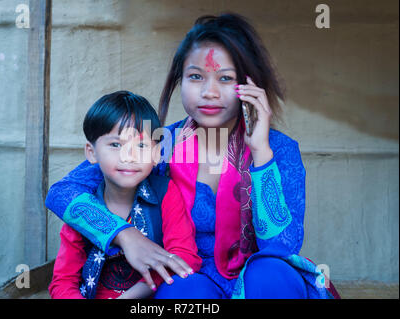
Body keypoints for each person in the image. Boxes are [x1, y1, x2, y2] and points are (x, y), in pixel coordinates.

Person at [46, 13, 340, 299]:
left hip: (261, 282)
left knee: (272, 273)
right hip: (188, 276)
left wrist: (261, 151)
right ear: (180, 80)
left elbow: (280, 247)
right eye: (196, 77)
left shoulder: (279, 149)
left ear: (249, 86)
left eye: (225, 79)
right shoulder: (156, 145)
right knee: (182, 287)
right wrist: (124, 235)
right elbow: (62, 192)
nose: (209, 92)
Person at [48, 91, 201, 299]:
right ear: (91, 153)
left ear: (156, 154)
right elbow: (63, 282)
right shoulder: (83, 204)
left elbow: (184, 258)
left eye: (141, 145)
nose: (129, 156)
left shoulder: (165, 192)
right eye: (115, 145)